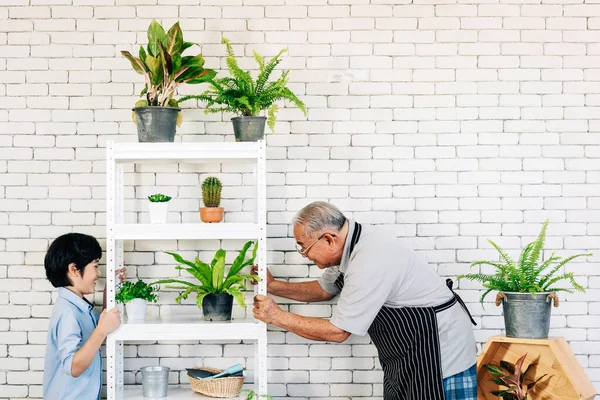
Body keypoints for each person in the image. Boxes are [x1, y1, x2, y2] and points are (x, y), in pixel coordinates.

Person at [252, 201, 478, 400]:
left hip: (438, 352)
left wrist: (277, 317)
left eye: (304, 247)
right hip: (407, 354)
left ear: (329, 239)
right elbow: (323, 290)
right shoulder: (348, 246)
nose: (305, 254)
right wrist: (273, 286)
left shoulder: (370, 259)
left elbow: (338, 331)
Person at [43, 233, 126, 400]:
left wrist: (109, 289)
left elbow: (98, 329)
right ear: (74, 269)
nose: (99, 272)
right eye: (95, 266)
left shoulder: (79, 307)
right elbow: (73, 367)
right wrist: (101, 331)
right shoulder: (69, 313)